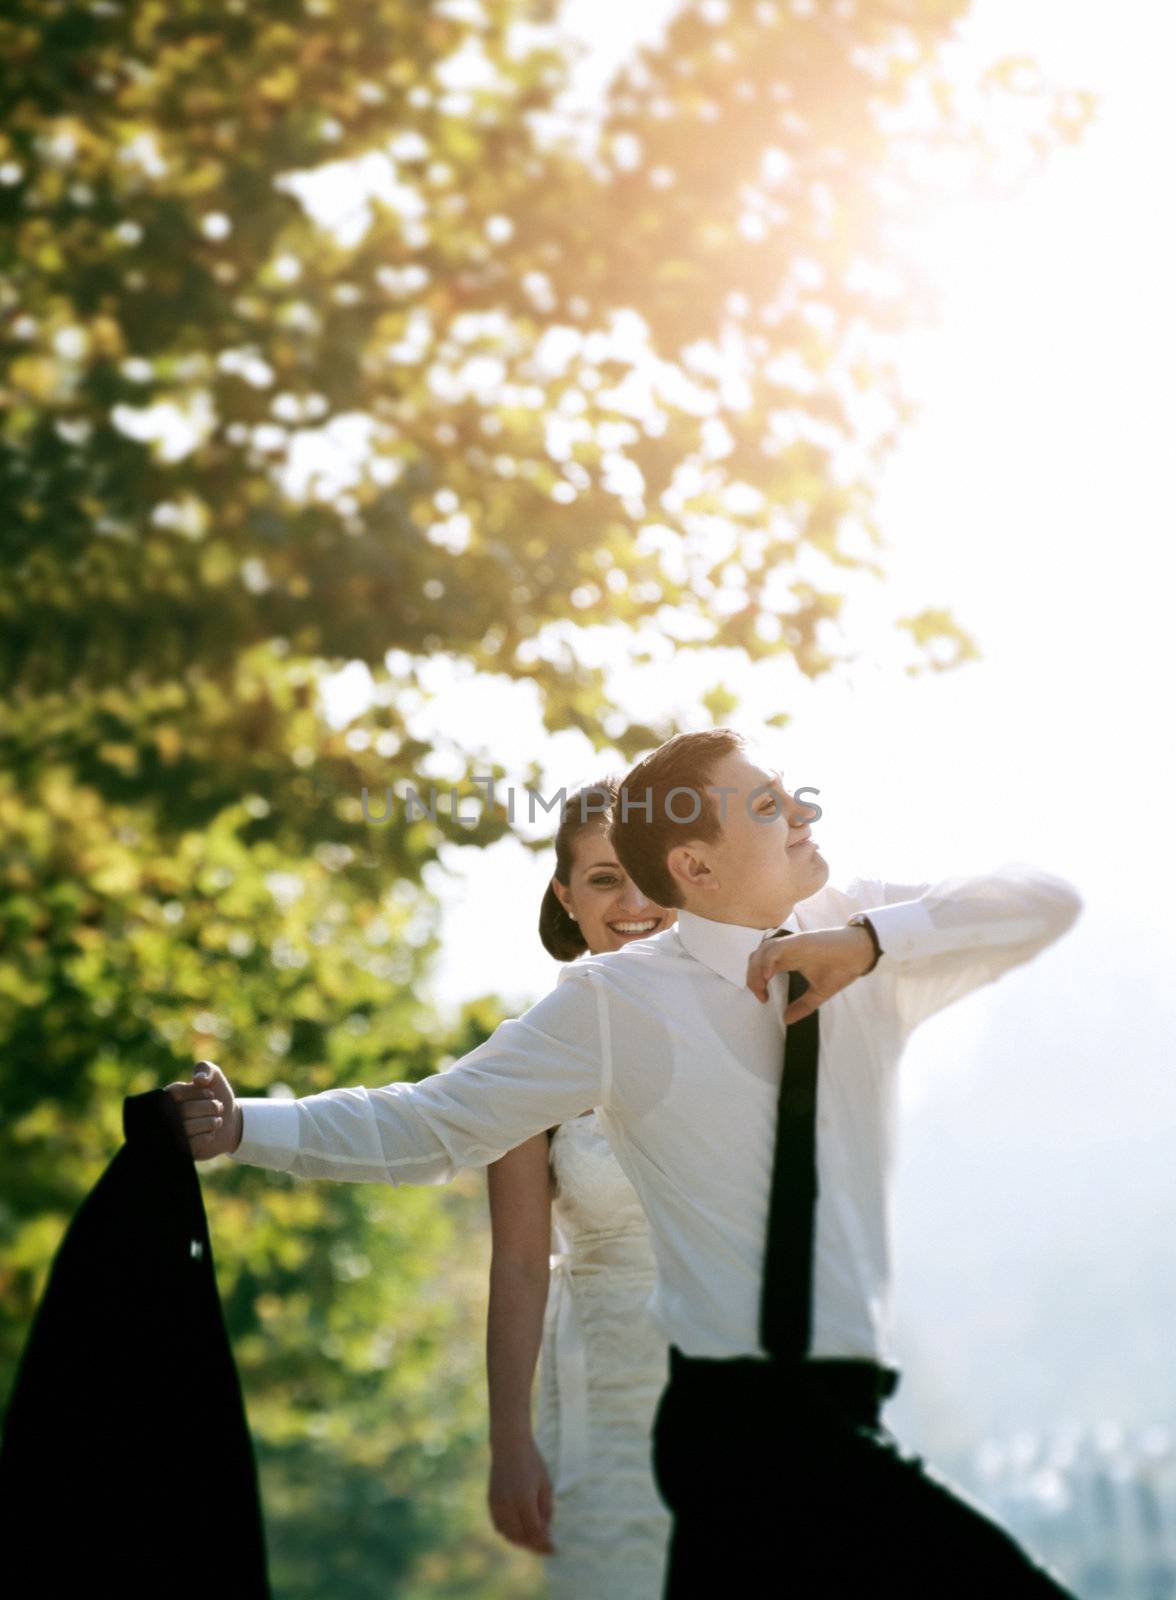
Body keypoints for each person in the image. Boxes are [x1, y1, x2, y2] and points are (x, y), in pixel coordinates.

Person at [168, 726, 1084, 1598]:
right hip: (744, 1419)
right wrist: (242, 1126)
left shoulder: (862, 927)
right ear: (694, 865)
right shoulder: (614, 1005)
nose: (805, 817)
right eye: (769, 807)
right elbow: (434, 1123)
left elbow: (1046, 897)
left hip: (846, 1406)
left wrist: (872, 942)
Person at [485, 778, 675, 1597]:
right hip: (609, 1405)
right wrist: (510, 1441)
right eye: (604, 878)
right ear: (567, 896)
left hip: (760, 1395)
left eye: (650, 875)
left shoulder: (766, 1021)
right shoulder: (527, 1055)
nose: (633, 903)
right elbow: (521, 1264)